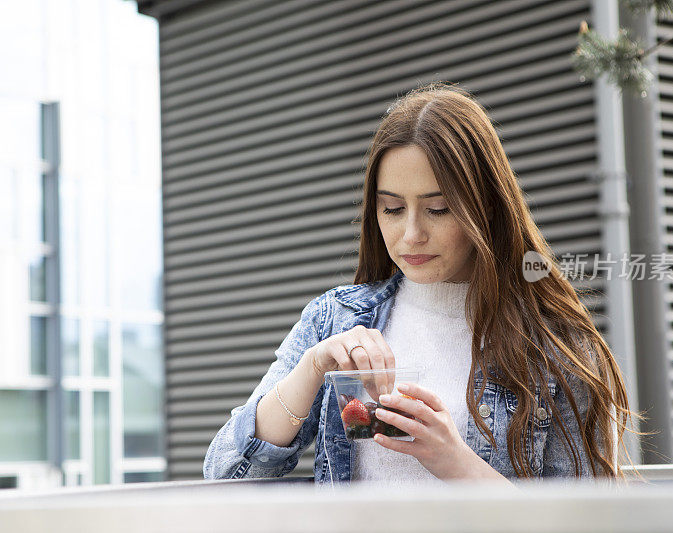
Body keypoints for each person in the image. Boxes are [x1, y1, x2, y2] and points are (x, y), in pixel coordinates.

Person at [203, 82, 641, 486]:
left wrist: (455, 462)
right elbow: (226, 473)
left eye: (438, 209)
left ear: (484, 208)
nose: (411, 234)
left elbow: (587, 518)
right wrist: (314, 367)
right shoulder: (333, 320)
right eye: (392, 209)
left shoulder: (552, 344)